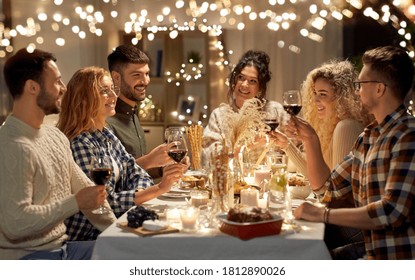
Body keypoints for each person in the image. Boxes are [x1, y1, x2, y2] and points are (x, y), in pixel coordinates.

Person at [292, 46, 415, 260]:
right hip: (371, 253)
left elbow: (391, 212)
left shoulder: (407, 136)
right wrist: (310, 139)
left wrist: (323, 214)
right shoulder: (368, 137)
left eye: (360, 84)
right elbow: (328, 189)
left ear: (379, 89)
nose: (356, 90)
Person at [0, 48, 115, 260]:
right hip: (28, 258)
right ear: (32, 87)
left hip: (63, 249)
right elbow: (14, 223)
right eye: (57, 82)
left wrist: (120, 233)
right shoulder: (11, 146)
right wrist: (75, 203)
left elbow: (88, 192)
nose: (63, 89)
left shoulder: (54, 136)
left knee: (133, 255)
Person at [57, 66, 187, 241]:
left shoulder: (106, 134)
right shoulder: (81, 143)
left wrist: (138, 190)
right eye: (105, 91)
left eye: (113, 89)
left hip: (114, 225)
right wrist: (160, 188)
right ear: (85, 99)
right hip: (91, 237)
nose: (113, 96)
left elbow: (136, 172)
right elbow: (104, 204)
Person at [270, 60, 372, 258]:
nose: (316, 101)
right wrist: (287, 146)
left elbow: (330, 194)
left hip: (351, 229)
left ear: (343, 97)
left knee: (288, 237)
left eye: (323, 95)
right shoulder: (332, 126)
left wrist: (309, 139)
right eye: (315, 93)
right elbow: (319, 179)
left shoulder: (347, 127)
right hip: (340, 218)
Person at [203, 50, 288, 161]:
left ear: (260, 88)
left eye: (252, 81)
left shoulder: (275, 111)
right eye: (241, 78)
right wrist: (248, 146)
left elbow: (294, 148)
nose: (244, 85)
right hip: (231, 177)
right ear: (234, 80)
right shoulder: (219, 115)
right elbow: (209, 155)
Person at [107, 45, 172, 179]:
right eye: (137, 75)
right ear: (116, 77)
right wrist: (149, 160)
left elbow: (136, 172)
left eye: (147, 74)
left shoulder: (133, 116)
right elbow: (111, 177)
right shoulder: (106, 121)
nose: (145, 81)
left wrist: (164, 169)